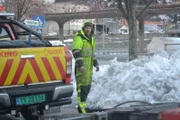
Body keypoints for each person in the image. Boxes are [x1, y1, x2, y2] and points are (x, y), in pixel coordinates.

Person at [72, 20, 99, 114]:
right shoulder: (79, 37)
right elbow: (76, 51)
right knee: (82, 88)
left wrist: (96, 64)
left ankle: (82, 106)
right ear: (84, 28)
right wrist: (80, 65)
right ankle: (82, 108)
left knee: (87, 88)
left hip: (88, 68)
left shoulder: (91, 38)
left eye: (90, 28)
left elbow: (92, 53)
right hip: (82, 68)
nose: (88, 29)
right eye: (87, 28)